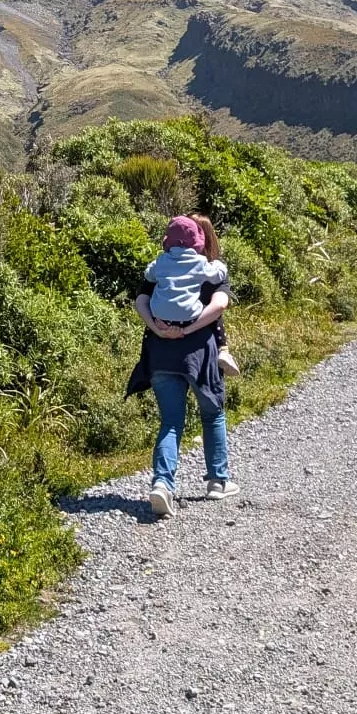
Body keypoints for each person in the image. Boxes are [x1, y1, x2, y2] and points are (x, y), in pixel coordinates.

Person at [126, 211, 242, 517]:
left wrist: (159, 328)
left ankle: (162, 485)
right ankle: (218, 481)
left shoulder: (161, 267)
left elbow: (140, 299)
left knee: (170, 423)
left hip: (161, 352)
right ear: (203, 240)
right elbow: (220, 304)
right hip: (198, 352)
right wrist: (188, 330)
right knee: (212, 414)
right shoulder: (208, 269)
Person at [145, 215, 240, 378]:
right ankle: (223, 349)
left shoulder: (161, 261)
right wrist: (219, 265)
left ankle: (146, 363)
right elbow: (218, 294)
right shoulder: (200, 262)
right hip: (189, 320)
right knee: (213, 312)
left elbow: (147, 277)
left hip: (159, 320)